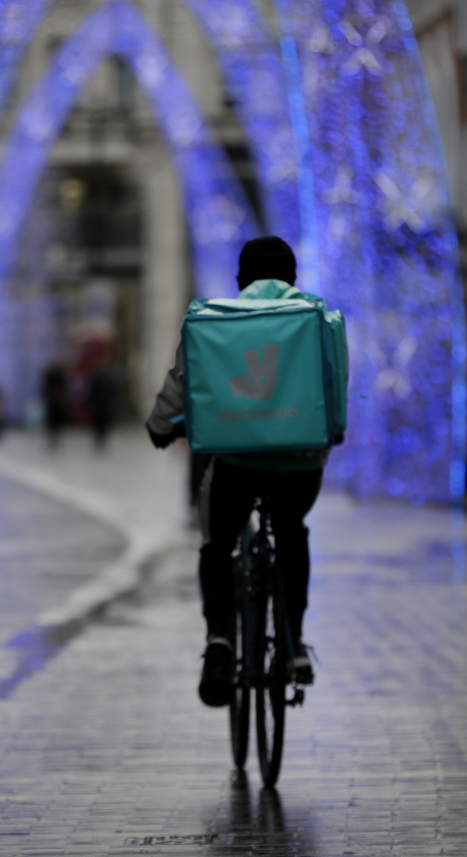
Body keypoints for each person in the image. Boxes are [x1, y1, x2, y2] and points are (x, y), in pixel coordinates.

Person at [146, 236, 337, 708]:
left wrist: (160, 427)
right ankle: (293, 647)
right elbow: (335, 381)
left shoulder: (215, 320)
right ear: (293, 278)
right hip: (300, 464)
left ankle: (219, 642)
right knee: (292, 530)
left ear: (239, 282)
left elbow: (183, 381)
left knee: (217, 544)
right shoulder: (318, 319)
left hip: (236, 463)